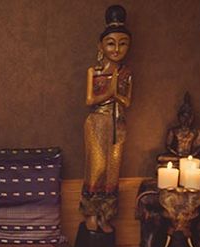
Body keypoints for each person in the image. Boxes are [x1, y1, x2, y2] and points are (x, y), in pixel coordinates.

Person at [80, 5, 132, 233]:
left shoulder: (126, 74)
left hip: (118, 122)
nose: (117, 49)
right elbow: (90, 100)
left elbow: (127, 101)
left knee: (113, 169)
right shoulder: (95, 71)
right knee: (98, 167)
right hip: (98, 121)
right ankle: (91, 213)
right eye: (111, 43)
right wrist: (110, 91)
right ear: (100, 46)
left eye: (123, 43)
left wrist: (116, 93)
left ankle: (105, 215)